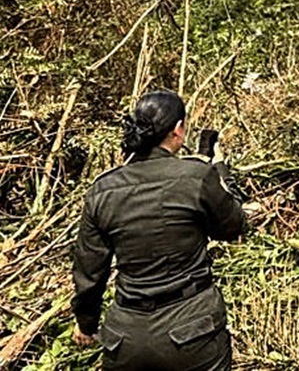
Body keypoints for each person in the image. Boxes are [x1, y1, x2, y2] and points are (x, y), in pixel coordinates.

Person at [71, 89, 246, 369]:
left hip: (126, 339)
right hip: (193, 331)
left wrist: (86, 322)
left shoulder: (102, 189)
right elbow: (233, 226)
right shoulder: (197, 177)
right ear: (178, 130)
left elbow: (89, 270)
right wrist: (221, 173)